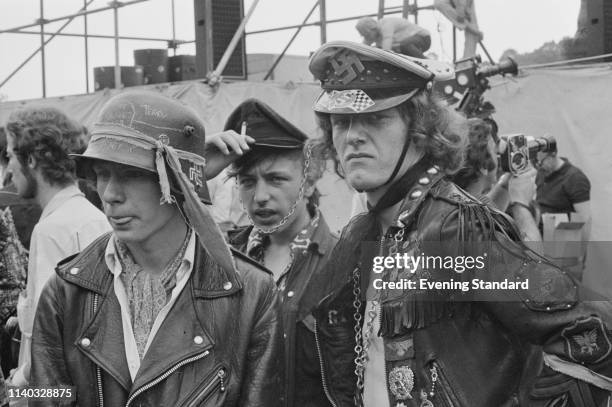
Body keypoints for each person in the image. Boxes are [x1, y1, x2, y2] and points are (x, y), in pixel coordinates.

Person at [307, 41, 612, 406]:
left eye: (376, 118)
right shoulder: (363, 233)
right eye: (341, 122)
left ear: (419, 130)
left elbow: (588, 337)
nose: (352, 136)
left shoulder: (456, 227)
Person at [29, 91, 283, 406]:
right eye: (102, 174)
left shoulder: (251, 292)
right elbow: (43, 395)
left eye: (132, 174)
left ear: (177, 182)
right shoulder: (65, 291)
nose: (110, 194)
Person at [205, 99, 337, 406]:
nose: (260, 197)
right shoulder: (221, 258)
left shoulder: (345, 260)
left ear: (309, 179)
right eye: (247, 182)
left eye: (276, 179)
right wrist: (191, 172)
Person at [3, 107, 111, 390]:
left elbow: (49, 336)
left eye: (10, 156)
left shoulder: (51, 230)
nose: (9, 168)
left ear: (31, 160)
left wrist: (20, 381)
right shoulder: (93, 218)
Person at [535, 147, 591, 239]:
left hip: (563, 241)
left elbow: (584, 220)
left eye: (541, 162)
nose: (539, 166)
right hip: (543, 237)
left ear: (553, 155)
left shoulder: (575, 178)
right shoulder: (542, 172)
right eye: (536, 163)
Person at [356, 17, 431, 58]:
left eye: (367, 35)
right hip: (407, 45)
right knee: (378, 49)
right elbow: (363, 48)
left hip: (423, 38)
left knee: (402, 46)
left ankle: (425, 61)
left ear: (373, 28)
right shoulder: (372, 35)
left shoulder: (386, 25)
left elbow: (386, 48)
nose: (367, 38)